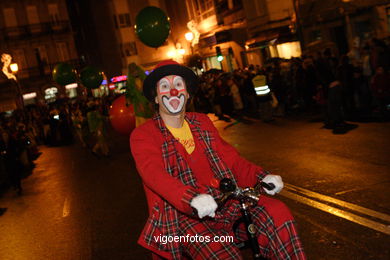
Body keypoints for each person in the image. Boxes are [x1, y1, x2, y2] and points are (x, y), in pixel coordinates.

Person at [130, 60, 306, 260]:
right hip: (184, 218)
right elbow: (154, 175)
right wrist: (190, 199)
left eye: (178, 84)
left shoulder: (202, 122)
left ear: (187, 93)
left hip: (226, 202)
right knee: (220, 254)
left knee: (278, 213)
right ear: (155, 97)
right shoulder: (144, 134)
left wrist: (262, 176)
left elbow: (232, 160)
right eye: (164, 86)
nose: (173, 91)